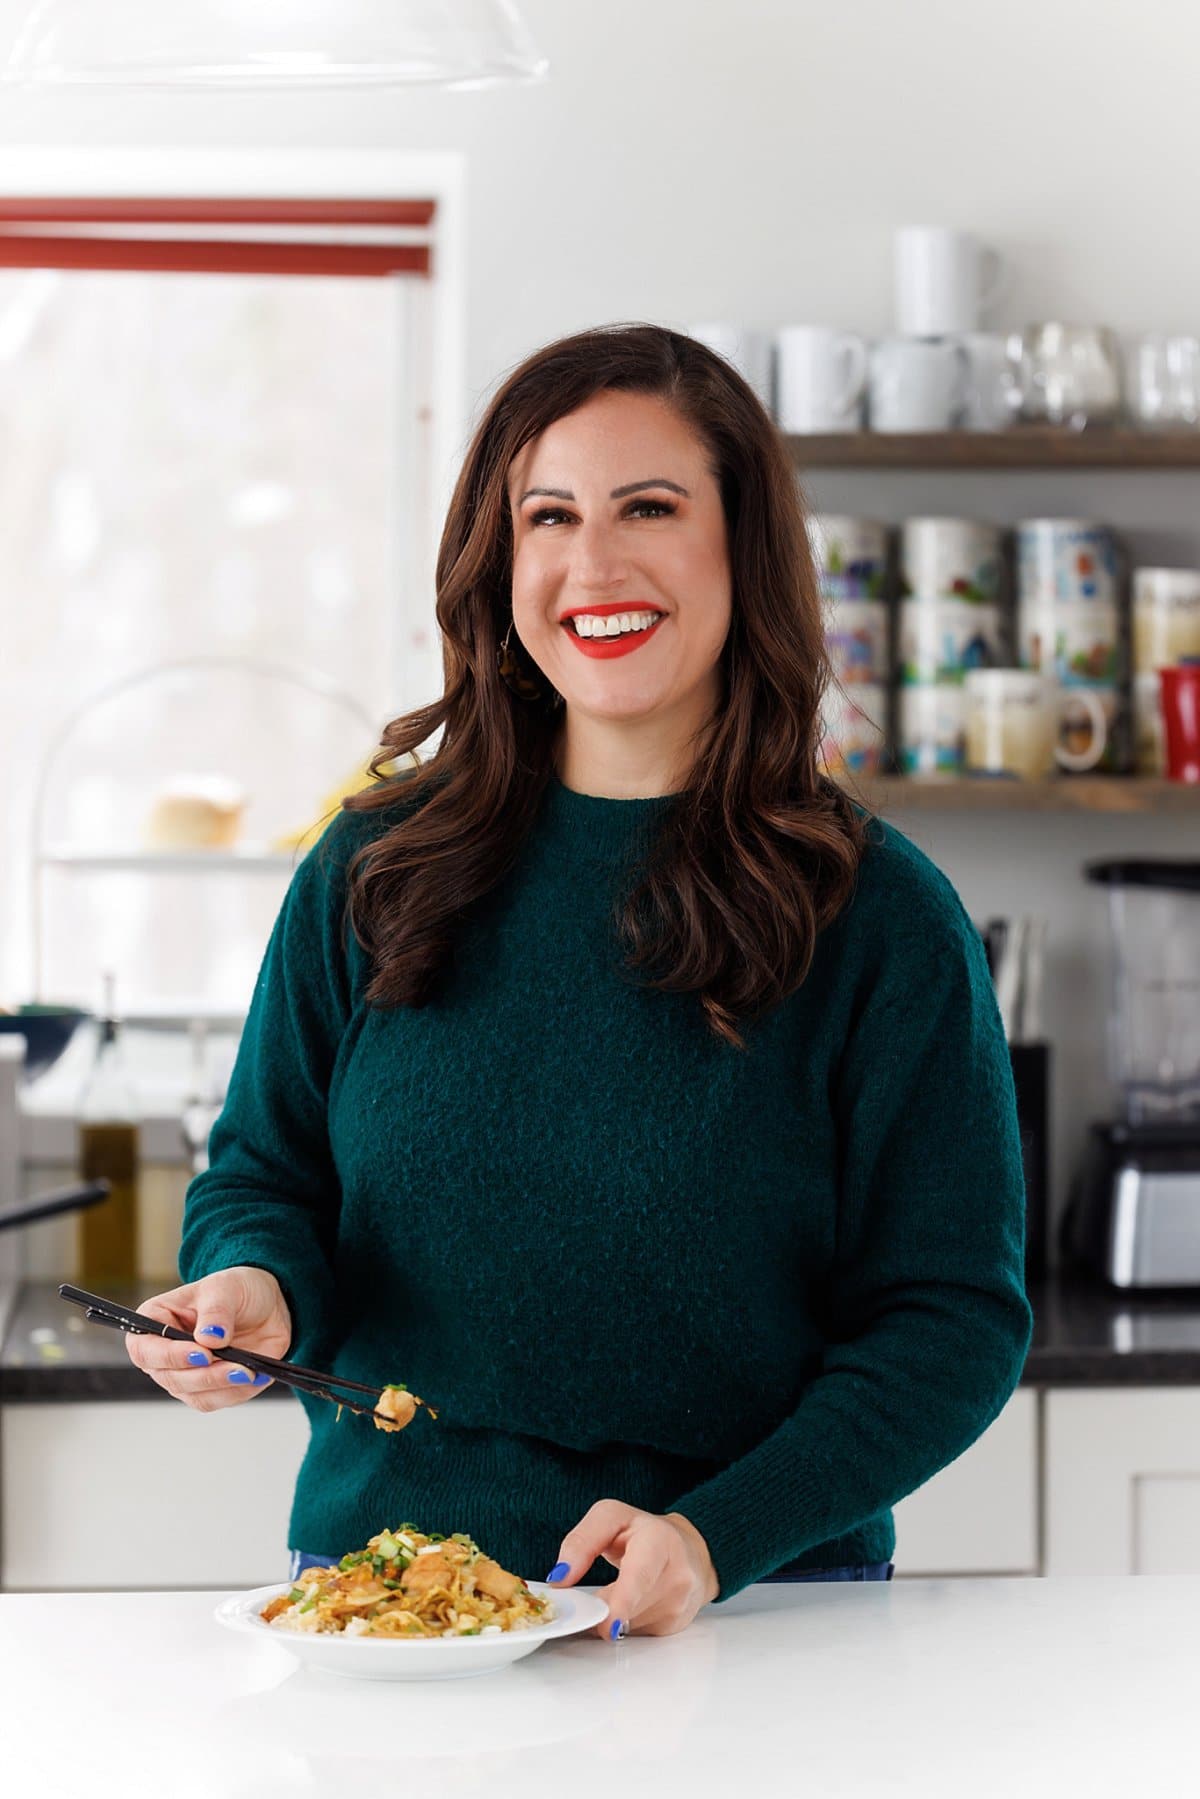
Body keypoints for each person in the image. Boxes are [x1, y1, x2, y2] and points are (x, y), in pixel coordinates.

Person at [125, 322, 1032, 1642]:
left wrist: (716, 1540)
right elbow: (265, 1176)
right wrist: (255, 1286)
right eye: (548, 517)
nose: (592, 563)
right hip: (387, 1615)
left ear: (744, 548)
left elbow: (950, 1322)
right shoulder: (374, 869)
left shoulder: (877, 915)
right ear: (502, 565)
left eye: (649, 508)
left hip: (756, 1619)